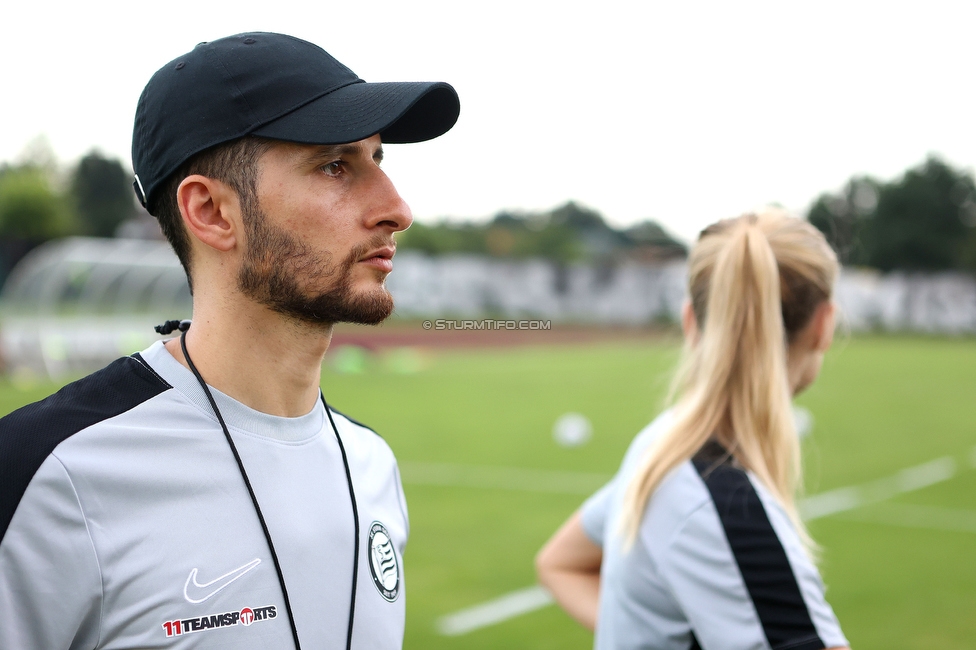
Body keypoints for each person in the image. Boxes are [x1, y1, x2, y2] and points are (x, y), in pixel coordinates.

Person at [0, 32, 459, 649]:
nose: (397, 209)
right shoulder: (44, 473)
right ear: (213, 213)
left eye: (379, 161)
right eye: (334, 165)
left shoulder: (370, 463)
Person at [536, 211, 851, 650]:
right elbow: (562, 564)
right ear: (824, 326)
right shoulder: (723, 502)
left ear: (690, 322)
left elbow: (561, 563)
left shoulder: (661, 446)